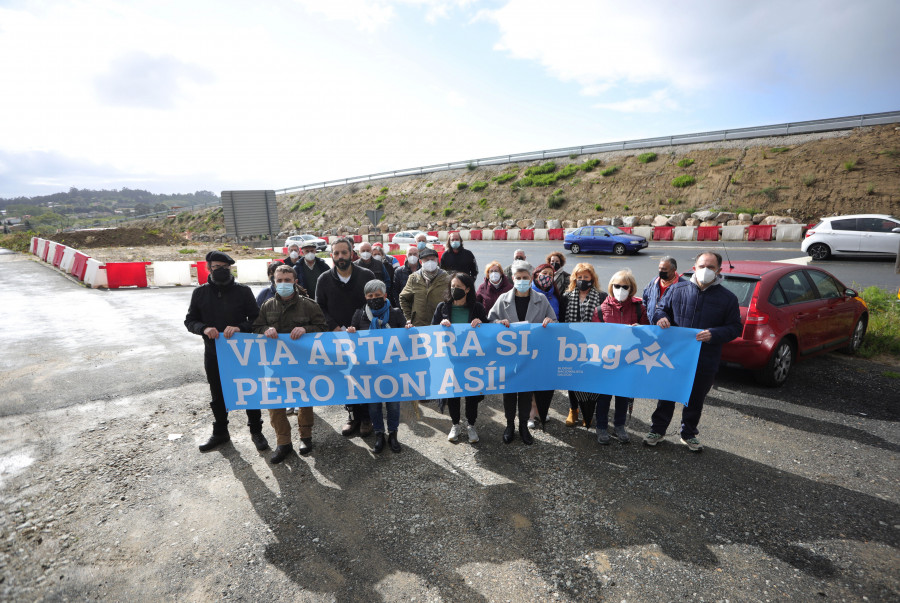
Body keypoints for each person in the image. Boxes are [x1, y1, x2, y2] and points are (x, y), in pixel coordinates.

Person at [645, 251, 742, 452]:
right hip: (674, 356)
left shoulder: (728, 298)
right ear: (694, 268)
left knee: (696, 398)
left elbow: (734, 328)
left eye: (711, 267)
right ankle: (658, 429)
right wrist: (660, 318)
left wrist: (714, 334)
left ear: (719, 270)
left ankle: (688, 433)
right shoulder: (676, 289)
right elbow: (659, 310)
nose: (705, 270)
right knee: (667, 394)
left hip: (705, 359)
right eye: (702, 266)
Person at [184, 251, 269, 452]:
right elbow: (190, 320)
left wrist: (240, 327)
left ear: (230, 268)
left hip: (243, 353)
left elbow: (256, 319)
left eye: (225, 267)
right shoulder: (200, 293)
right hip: (214, 353)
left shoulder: (243, 291)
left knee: (249, 390)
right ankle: (221, 431)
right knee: (217, 393)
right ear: (208, 268)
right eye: (216, 267)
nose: (221, 270)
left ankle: (256, 431)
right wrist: (203, 328)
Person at [252, 265, 328, 462]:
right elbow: (256, 327)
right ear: (274, 281)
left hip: (303, 362)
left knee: (304, 399)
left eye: (287, 280)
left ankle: (306, 437)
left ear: (295, 281)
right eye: (279, 280)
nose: (283, 284)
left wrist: (305, 329)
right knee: (275, 402)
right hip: (276, 364)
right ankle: (283, 442)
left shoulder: (309, 305)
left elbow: (322, 328)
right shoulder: (267, 306)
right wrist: (265, 329)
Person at [487, 261, 556, 445]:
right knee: (509, 392)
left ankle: (523, 426)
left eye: (525, 278)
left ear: (531, 278)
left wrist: (550, 321)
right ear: (513, 278)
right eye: (518, 278)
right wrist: (498, 324)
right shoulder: (503, 299)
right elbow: (490, 321)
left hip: (530, 356)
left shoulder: (541, 299)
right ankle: (509, 425)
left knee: (526, 393)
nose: (522, 281)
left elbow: (554, 322)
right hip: (509, 356)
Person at [315, 237, 376, 437]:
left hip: (363, 337)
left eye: (344, 252)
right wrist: (333, 326)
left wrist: (363, 326)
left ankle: (366, 417)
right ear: (331, 256)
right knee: (346, 377)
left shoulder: (366, 275)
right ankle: (352, 416)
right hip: (337, 337)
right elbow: (319, 308)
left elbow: (376, 302)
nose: (340, 257)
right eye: (336, 253)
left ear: (352, 254)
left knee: (364, 375)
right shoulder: (323, 279)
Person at [347, 280, 411, 454]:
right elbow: (353, 344)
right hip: (370, 370)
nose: (373, 298)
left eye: (377, 295)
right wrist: (351, 333)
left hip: (393, 369)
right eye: (370, 296)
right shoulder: (359, 315)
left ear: (385, 296)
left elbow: (405, 339)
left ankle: (393, 434)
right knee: (374, 405)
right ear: (365, 297)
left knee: (393, 404)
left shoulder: (396, 313)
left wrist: (408, 329)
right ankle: (379, 434)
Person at [591, 269, 648, 444]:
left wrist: (640, 330)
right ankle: (601, 426)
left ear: (631, 288)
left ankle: (619, 425)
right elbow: (594, 336)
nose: (621, 289)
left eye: (625, 286)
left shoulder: (639, 308)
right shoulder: (601, 309)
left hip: (629, 360)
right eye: (617, 286)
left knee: (623, 396)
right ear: (611, 286)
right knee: (604, 397)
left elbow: (648, 334)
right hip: (607, 361)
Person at [431, 273, 488, 444]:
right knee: (453, 394)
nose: (455, 290)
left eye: (459, 287)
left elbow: (488, 331)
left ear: (468, 289)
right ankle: (455, 424)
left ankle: (471, 425)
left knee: (471, 394)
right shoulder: (442, 307)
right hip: (451, 360)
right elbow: (432, 330)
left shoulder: (477, 307)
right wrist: (441, 326)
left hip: (471, 360)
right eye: (452, 286)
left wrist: (481, 324)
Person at [558, 263, 607, 428]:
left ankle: (588, 410)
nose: (583, 280)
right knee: (572, 376)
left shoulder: (601, 297)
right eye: (580, 277)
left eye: (586, 277)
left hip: (593, 346)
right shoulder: (566, 296)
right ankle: (573, 409)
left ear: (592, 278)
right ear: (574, 279)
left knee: (590, 378)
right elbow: (562, 321)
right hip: (571, 345)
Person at [399, 246, 451, 327]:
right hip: (419, 324)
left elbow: (452, 299)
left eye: (432, 259)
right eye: (427, 260)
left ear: (437, 260)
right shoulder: (414, 278)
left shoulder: (446, 278)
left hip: (440, 323)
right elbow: (403, 298)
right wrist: (409, 318)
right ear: (421, 262)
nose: (430, 262)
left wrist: (447, 317)